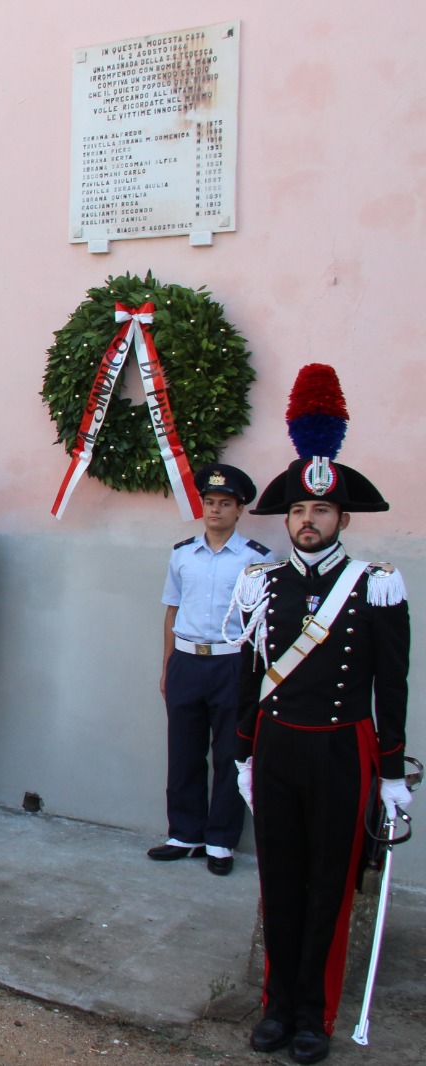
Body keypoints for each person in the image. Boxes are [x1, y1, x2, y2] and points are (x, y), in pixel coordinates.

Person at [233, 365, 410, 1065]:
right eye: (299, 511)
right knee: (278, 880)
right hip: (278, 747)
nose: (308, 521)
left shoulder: (377, 586)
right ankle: (277, 1006)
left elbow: (392, 685)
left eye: (322, 511)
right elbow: (250, 679)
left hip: (343, 752)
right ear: (287, 519)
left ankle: (316, 1013)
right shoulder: (262, 585)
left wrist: (390, 774)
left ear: (343, 519)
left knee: (331, 886)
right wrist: (243, 753)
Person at [148, 464, 269, 876]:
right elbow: (172, 610)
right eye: (210, 502)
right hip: (186, 660)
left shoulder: (257, 560)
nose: (216, 510)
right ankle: (185, 834)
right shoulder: (183, 554)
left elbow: (262, 625)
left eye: (225, 504)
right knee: (184, 750)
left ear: (239, 510)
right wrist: (168, 665)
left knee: (231, 754)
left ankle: (220, 840)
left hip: (232, 663)